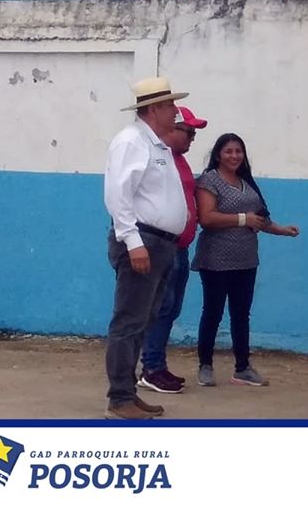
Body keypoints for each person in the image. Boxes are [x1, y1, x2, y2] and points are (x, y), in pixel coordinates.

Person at [103, 76, 189, 419]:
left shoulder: (156, 145)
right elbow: (118, 195)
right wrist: (132, 241)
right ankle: (119, 398)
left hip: (160, 244)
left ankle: (128, 391)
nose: (175, 111)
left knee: (143, 320)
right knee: (129, 321)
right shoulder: (131, 142)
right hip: (143, 240)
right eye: (170, 106)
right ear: (154, 109)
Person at [191, 133, 300, 387]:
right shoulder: (209, 180)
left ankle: (242, 368)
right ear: (218, 154)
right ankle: (205, 366)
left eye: (238, 151)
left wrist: (283, 230)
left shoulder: (246, 182)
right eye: (228, 151)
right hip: (216, 259)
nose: (234, 156)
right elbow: (207, 218)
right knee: (213, 312)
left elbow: (260, 219)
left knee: (241, 314)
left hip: (246, 259)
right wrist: (243, 219)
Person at [137, 106, 208, 394]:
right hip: (161, 246)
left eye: (194, 134)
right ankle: (151, 368)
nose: (192, 138)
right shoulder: (156, 158)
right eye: (188, 132)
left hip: (179, 247)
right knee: (159, 308)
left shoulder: (178, 160)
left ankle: (157, 364)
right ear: (172, 129)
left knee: (171, 308)